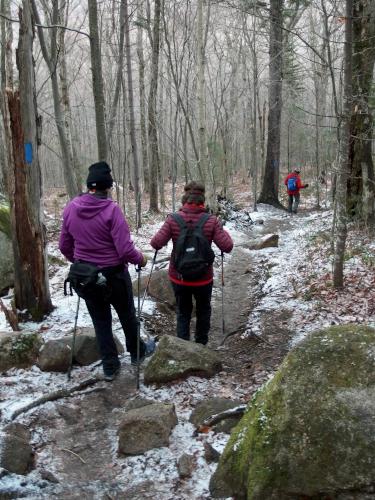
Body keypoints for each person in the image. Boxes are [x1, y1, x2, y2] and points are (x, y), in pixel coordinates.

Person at [59, 161, 154, 381]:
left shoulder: (71, 208)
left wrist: (80, 262)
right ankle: (137, 353)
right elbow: (124, 249)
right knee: (127, 315)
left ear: (89, 185)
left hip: (87, 279)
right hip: (114, 276)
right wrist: (141, 259)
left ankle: (110, 367)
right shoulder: (112, 210)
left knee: (101, 321)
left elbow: (64, 245)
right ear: (108, 186)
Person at [150, 181, 233, 346]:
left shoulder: (173, 219)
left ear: (185, 200)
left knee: (183, 311)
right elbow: (227, 246)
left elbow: (156, 243)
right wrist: (223, 231)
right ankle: (201, 345)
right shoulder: (211, 221)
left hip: (179, 277)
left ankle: (183, 347)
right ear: (203, 200)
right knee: (203, 310)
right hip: (203, 278)